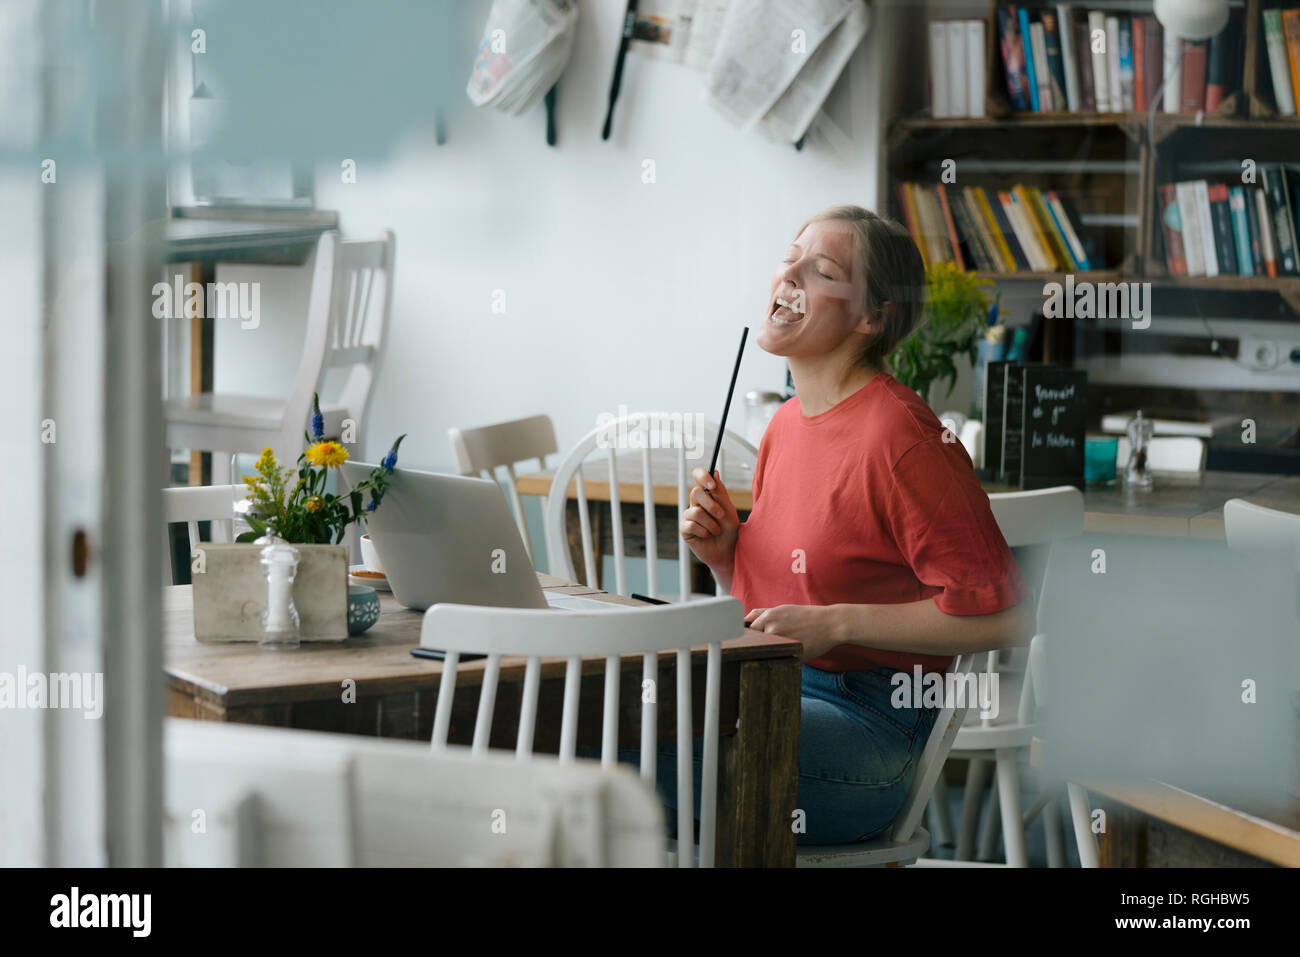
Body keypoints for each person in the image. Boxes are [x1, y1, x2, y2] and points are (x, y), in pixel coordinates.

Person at [674, 205, 1035, 845]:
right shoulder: (785, 424)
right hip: (775, 683)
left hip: (872, 725)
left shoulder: (904, 438)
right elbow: (782, 610)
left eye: (820, 270)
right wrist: (726, 556)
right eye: (789, 258)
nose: (789, 276)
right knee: (620, 725)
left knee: (642, 747)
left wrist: (840, 622)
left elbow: (1009, 616)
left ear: (873, 317)